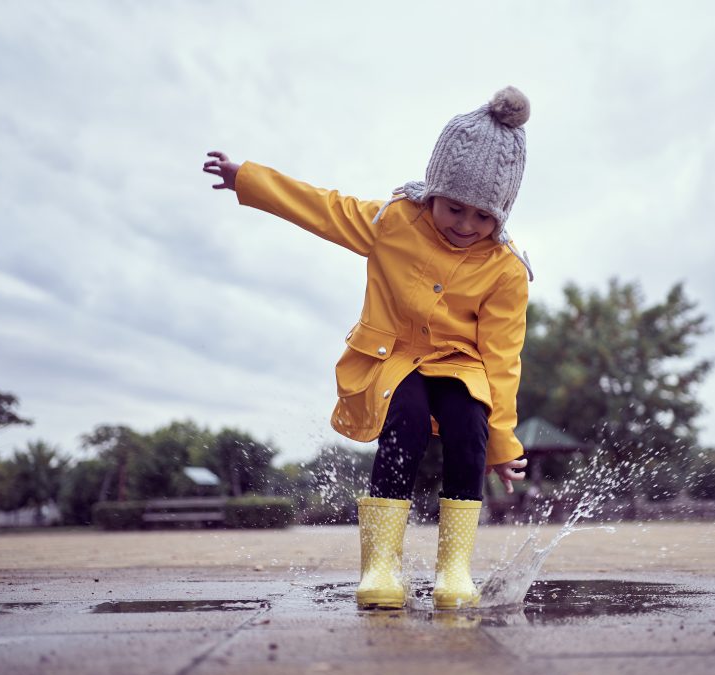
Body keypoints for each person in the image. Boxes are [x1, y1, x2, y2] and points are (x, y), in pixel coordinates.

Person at [203, 86, 534, 610]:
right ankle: (381, 565)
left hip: (462, 366)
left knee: (468, 424)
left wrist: (503, 443)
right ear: (434, 190)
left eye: (483, 216)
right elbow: (325, 210)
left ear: (503, 213)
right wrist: (249, 178)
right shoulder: (394, 222)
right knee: (403, 419)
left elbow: (502, 359)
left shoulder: (506, 270)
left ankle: (454, 571)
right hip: (395, 360)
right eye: (454, 208)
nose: (466, 226)